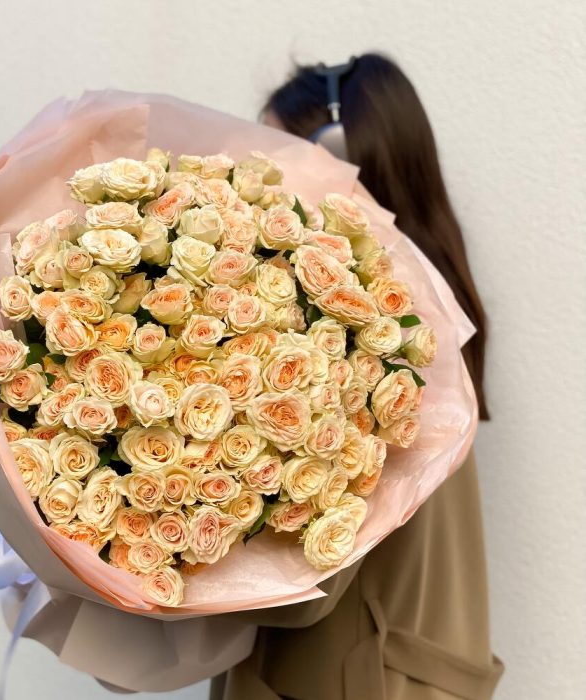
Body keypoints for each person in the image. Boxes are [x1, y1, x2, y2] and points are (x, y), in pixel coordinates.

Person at [210, 53, 504, 700]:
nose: (254, 179)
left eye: (275, 155)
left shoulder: (372, 332)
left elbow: (304, 587)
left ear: (340, 156)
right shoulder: (428, 311)